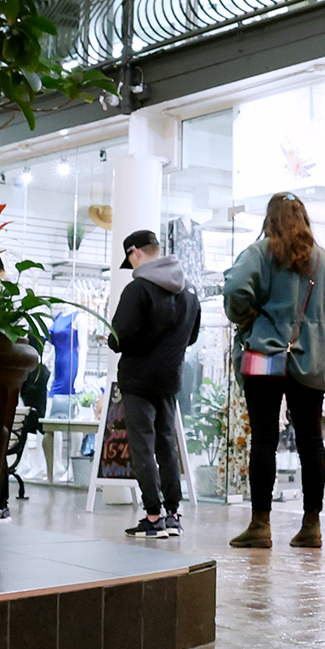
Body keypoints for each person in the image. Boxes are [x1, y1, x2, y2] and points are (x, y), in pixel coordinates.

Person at [222, 194, 325, 550]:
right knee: (311, 442)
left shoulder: (260, 253)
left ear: (270, 218)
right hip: (312, 360)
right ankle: (311, 526)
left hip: (266, 355)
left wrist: (248, 316)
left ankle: (260, 525)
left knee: (264, 440)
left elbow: (235, 288)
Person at [108, 228, 202, 539]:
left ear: (135, 252)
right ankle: (173, 515)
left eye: (130, 260)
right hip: (170, 378)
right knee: (167, 444)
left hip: (138, 379)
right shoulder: (189, 291)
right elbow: (191, 337)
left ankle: (153, 516)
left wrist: (111, 339)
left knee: (142, 447)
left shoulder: (138, 290)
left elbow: (120, 337)